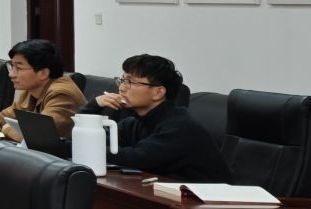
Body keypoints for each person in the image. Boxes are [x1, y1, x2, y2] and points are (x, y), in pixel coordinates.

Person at [85, 53, 226, 180]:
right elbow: (89, 141)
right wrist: (95, 104)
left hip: (209, 199)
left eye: (130, 82)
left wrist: (89, 150)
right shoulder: (135, 122)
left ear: (158, 93)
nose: (121, 88)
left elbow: (137, 158)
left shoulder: (180, 127)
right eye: (121, 80)